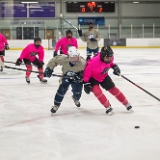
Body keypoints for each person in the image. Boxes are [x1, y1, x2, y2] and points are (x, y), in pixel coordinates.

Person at [83, 46, 133, 116]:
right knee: (97, 92)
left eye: (110, 57)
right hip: (93, 78)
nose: (109, 59)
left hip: (104, 76)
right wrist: (86, 83)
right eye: (107, 57)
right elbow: (86, 73)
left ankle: (126, 104)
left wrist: (115, 67)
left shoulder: (110, 58)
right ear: (102, 56)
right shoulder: (93, 62)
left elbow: (111, 63)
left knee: (114, 90)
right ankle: (108, 107)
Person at [44, 46, 86, 115]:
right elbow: (54, 60)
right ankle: (56, 105)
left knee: (78, 92)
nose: (75, 59)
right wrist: (49, 69)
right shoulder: (64, 59)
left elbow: (88, 71)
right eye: (73, 57)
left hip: (77, 79)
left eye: (76, 57)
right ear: (69, 57)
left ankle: (76, 98)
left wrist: (81, 76)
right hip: (66, 77)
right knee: (61, 89)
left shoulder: (82, 62)